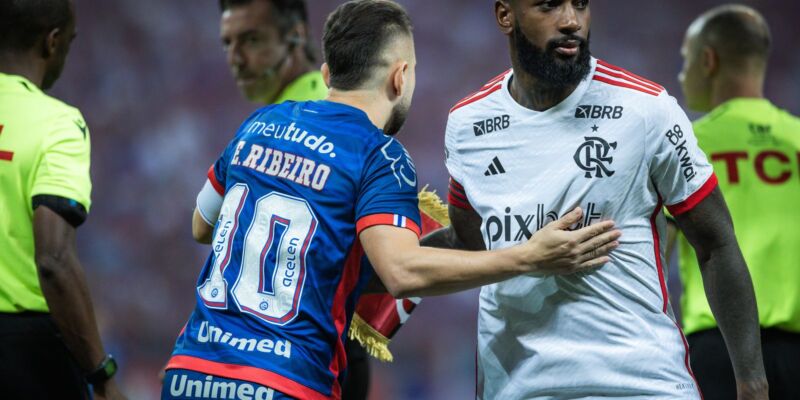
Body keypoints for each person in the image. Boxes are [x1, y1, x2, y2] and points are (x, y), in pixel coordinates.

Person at [162, 1, 620, 399]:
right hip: (283, 382)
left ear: (326, 75)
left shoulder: (260, 122)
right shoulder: (380, 156)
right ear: (401, 77)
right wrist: (528, 257)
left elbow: (203, 226)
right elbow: (401, 271)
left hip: (190, 371)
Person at [423, 0, 769, 398]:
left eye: (581, 4)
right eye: (549, 6)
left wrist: (753, 382)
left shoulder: (646, 109)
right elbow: (470, 244)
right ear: (505, 16)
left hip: (642, 385)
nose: (571, 21)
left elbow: (715, 243)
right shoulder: (468, 124)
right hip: (519, 387)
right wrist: (376, 263)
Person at [218, 1, 373, 399]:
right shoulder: (291, 112)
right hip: (310, 348)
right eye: (228, 43)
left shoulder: (316, 112)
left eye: (251, 40)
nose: (236, 59)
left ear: (297, 35)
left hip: (309, 357)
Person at [673, 5, 800, 399]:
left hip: (720, 348)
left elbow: (654, 250)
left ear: (707, 61)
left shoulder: (687, 145)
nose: (682, 74)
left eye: (686, 60)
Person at [0, 0, 124, 399]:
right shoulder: (56, 123)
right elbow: (53, 260)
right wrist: (101, 375)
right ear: (52, 43)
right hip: (24, 354)